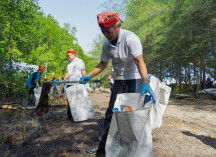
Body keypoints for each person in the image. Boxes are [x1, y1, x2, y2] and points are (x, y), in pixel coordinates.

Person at [79, 12, 156, 155]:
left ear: (118, 26)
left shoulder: (130, 38)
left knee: (131, 114)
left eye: (108, 31)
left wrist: (145, 81)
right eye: (103, 32)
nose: (106, 34)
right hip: (119, 80)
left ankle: (132, 148)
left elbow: (140, 60)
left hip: (134, 79)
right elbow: (102, 64)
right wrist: (88, 75)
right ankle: (103, 146)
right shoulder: (106, 45)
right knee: (111, 113)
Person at [63, 49, 86, 121]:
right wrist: (63, 81)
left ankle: (78, 117)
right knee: (69, 101)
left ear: (74, 54)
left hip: (77, 84)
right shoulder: (69, 64)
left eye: (69, 55)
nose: (68, 57)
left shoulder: (79, 61)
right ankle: (70, 116)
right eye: (67, 56)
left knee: (76, 101)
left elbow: (83, 71)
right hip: (69, 84)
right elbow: (67, 73)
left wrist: (84, 80)